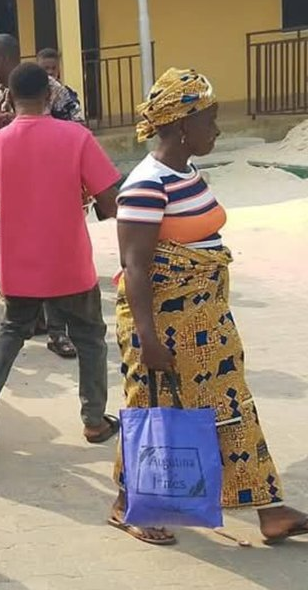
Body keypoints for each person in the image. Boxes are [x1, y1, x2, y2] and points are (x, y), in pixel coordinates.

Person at [111, 69, 308, 545]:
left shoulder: (186, 172)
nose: (216, 129)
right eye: (210, 120)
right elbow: (135, 268)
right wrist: (148, 339)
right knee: (153, 410)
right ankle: (126, 504)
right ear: (183, 125)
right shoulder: (145, 184)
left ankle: (270, 510)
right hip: (164, 324)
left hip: (206, 320)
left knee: (232, 406)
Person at [0, 63, 121, 447]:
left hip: (19, 265)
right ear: (49, 96)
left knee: (13, 329)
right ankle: (94, 420)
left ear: (8, 98)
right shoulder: (76, 137)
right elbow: (110, 199)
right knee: (90, 338)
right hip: (69, 262)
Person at [0, 32, 85, 354]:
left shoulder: (47, 87)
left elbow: (78, 126)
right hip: (16, 191)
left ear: (4, 58)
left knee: (53, 256)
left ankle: (58, 332)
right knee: (25, 257)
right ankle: (32, 319)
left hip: (52, 188)